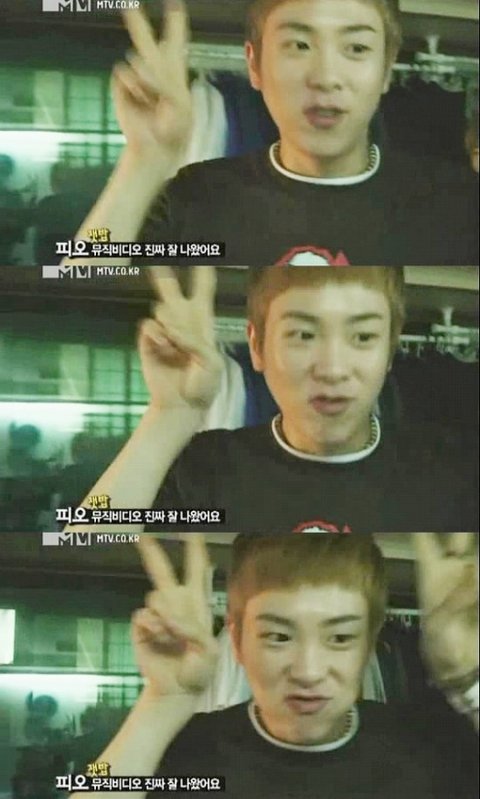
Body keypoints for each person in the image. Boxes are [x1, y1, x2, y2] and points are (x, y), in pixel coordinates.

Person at [60, 0, 478, 268]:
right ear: (254, 66)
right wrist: (143, 161)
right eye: (298, 46)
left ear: (385, 70)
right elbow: (84, 270)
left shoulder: (458, 203)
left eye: (356, 49)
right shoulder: (198, 195)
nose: (326, 77)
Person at [68, 265, 478, 534]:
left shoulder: (451, 475)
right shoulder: (207, 470)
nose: (333, 369)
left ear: (389, 351)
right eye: (303, 335)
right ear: (257, 347)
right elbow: (84, 540)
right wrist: (168, 415)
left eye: (363, 337)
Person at [69, 533, 479, 799]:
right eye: (279, 637)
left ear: (369, 645)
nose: (308, 671)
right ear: (237, 642)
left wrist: (469, 683)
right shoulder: (183, 752)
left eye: (340, 638)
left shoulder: (431, 752)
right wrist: (161, 702)